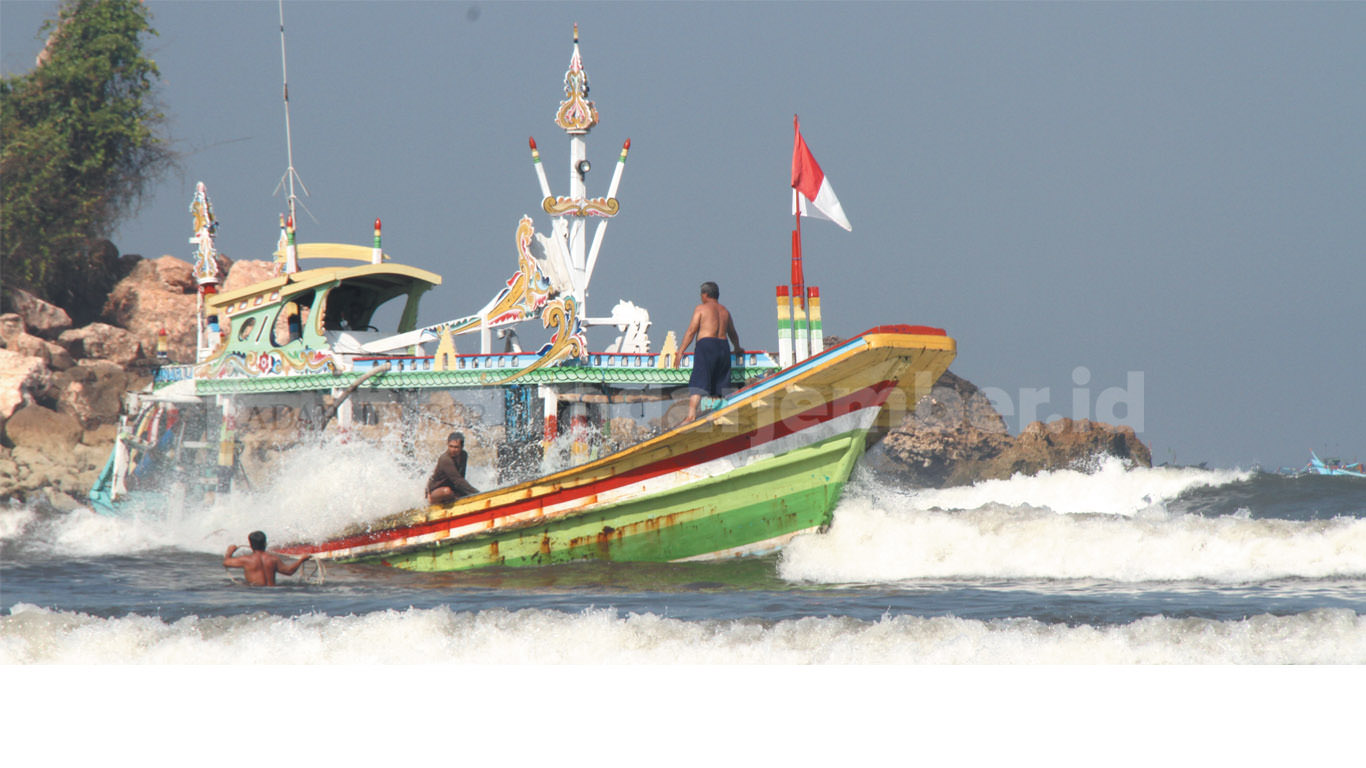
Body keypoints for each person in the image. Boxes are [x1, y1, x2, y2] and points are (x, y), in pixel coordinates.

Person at [675, 281, 743, 422]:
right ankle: (721, 413)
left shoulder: (701, 308)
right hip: (723, 346)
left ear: (705, 295)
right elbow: (732, 333)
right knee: (721, 382)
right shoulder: (725, 311)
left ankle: (691, 415)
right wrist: (737, 348)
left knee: (699, 380)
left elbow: (692, 330)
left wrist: (681, 351)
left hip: (706, 345)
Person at [222, 530, 311, 586]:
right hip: (272, 591)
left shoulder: (246, 560)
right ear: (265, 543)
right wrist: (301, 560)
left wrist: (230, 551)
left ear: (250, 545)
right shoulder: (273, 559)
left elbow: (226, 562)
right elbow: (289, 571)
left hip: (255, 592)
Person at [427, 431, 479, 504]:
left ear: (462, 447)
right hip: (435, 491)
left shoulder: (464, 455)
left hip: (451, 488)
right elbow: (458, 481)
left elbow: (461, 477)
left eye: (456, 447)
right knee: (447, 492)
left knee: (458, 492)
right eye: (450, 446)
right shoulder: (445, 459)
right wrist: (477, 494)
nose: (453, 450)